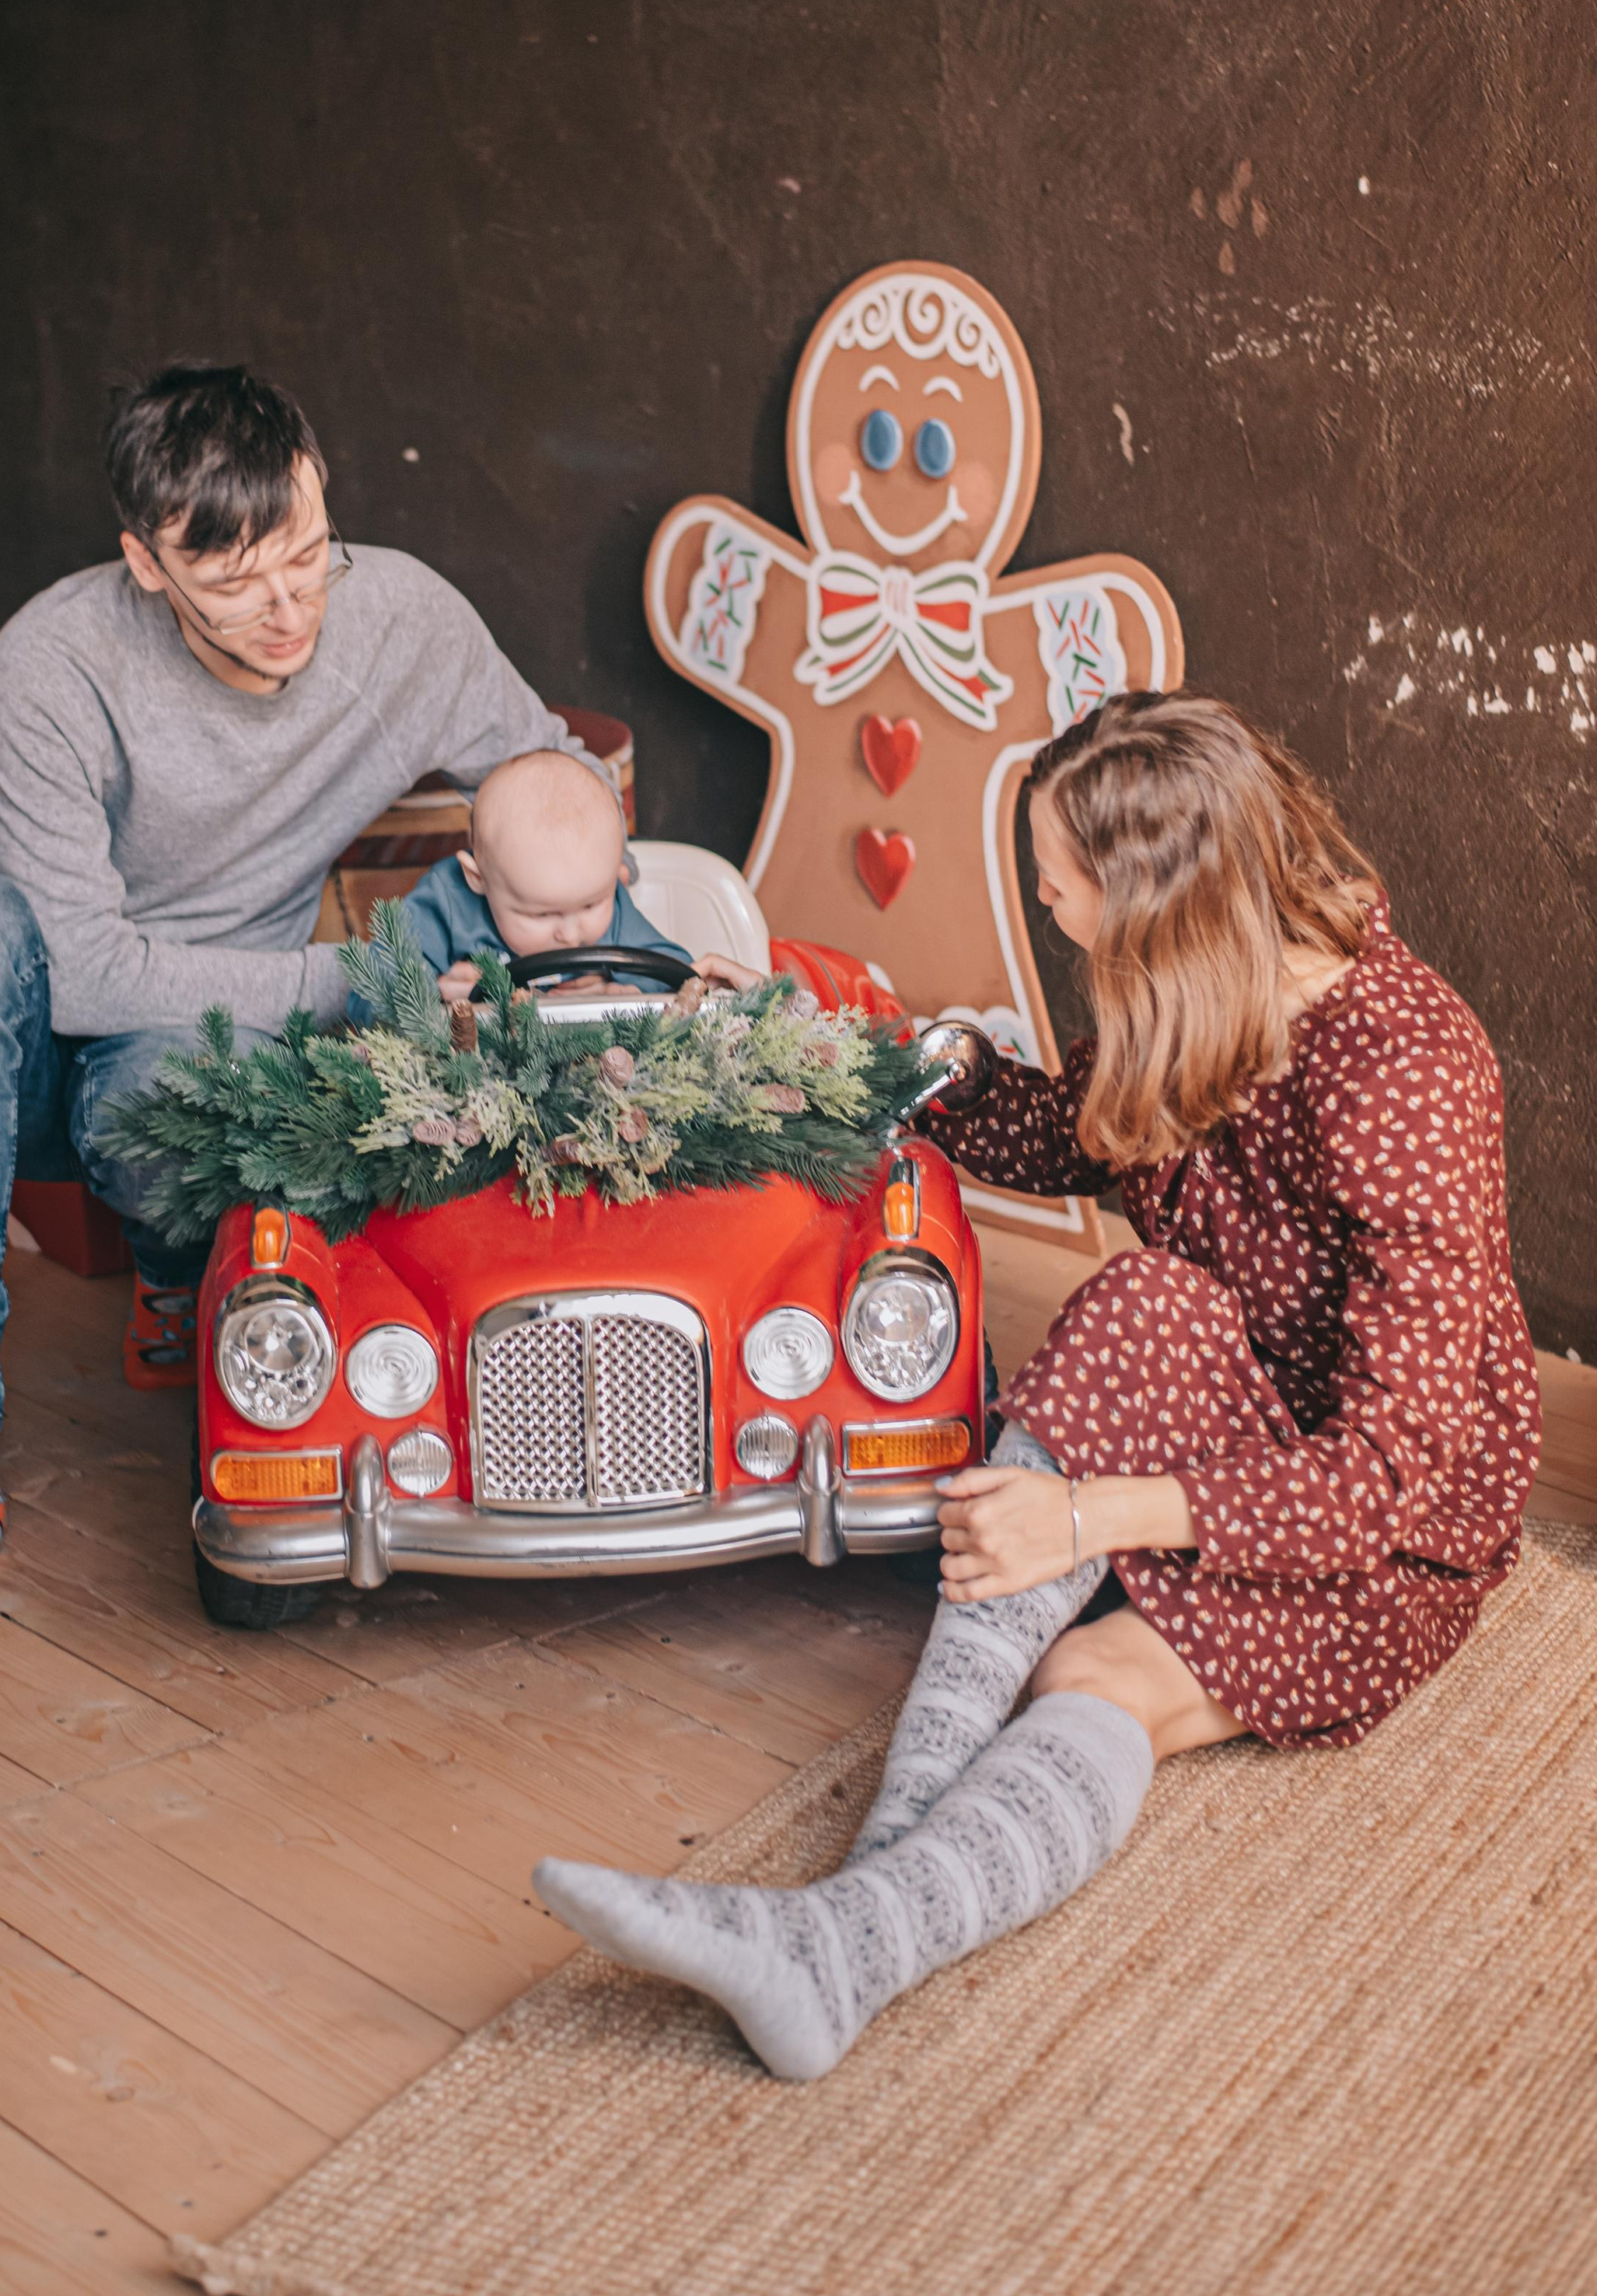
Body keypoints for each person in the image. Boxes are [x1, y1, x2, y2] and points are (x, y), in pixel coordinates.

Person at [534, 690, 1543, 2080]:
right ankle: (856, 1911)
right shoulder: (1204, 992)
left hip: (1384, 1519)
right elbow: (1060, 1128)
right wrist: (836, 1036)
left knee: (1083, 1664)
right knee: (1142, 1297)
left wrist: (1085, 1516)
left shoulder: (1405, 1077)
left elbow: (1383, 1480)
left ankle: (839, 1931)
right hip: (1226, 1385)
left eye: (1062, 885)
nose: (1049, 904)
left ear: (1160, 904)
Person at [0, 363, 610, 1564]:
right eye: (231, 579)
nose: (286, 607)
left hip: (198, 1053)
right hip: (27, 1047)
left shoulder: (405, 618)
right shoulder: (53, 660)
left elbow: (564, 780)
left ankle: (176, 1266)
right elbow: (88, 973)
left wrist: (634, 955)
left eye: (307, 551)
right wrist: (371, 980)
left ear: (320, 491)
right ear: (148, 564)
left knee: (165, 1096)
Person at [385, 746, 757, 1006]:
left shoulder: (612, 905)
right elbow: (372, 988)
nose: (571, 932)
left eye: (592, 903)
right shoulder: (445, 901)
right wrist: (433, 995)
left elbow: (669, 967)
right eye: (541, 914)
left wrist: (625, 987)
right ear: (477, 878)